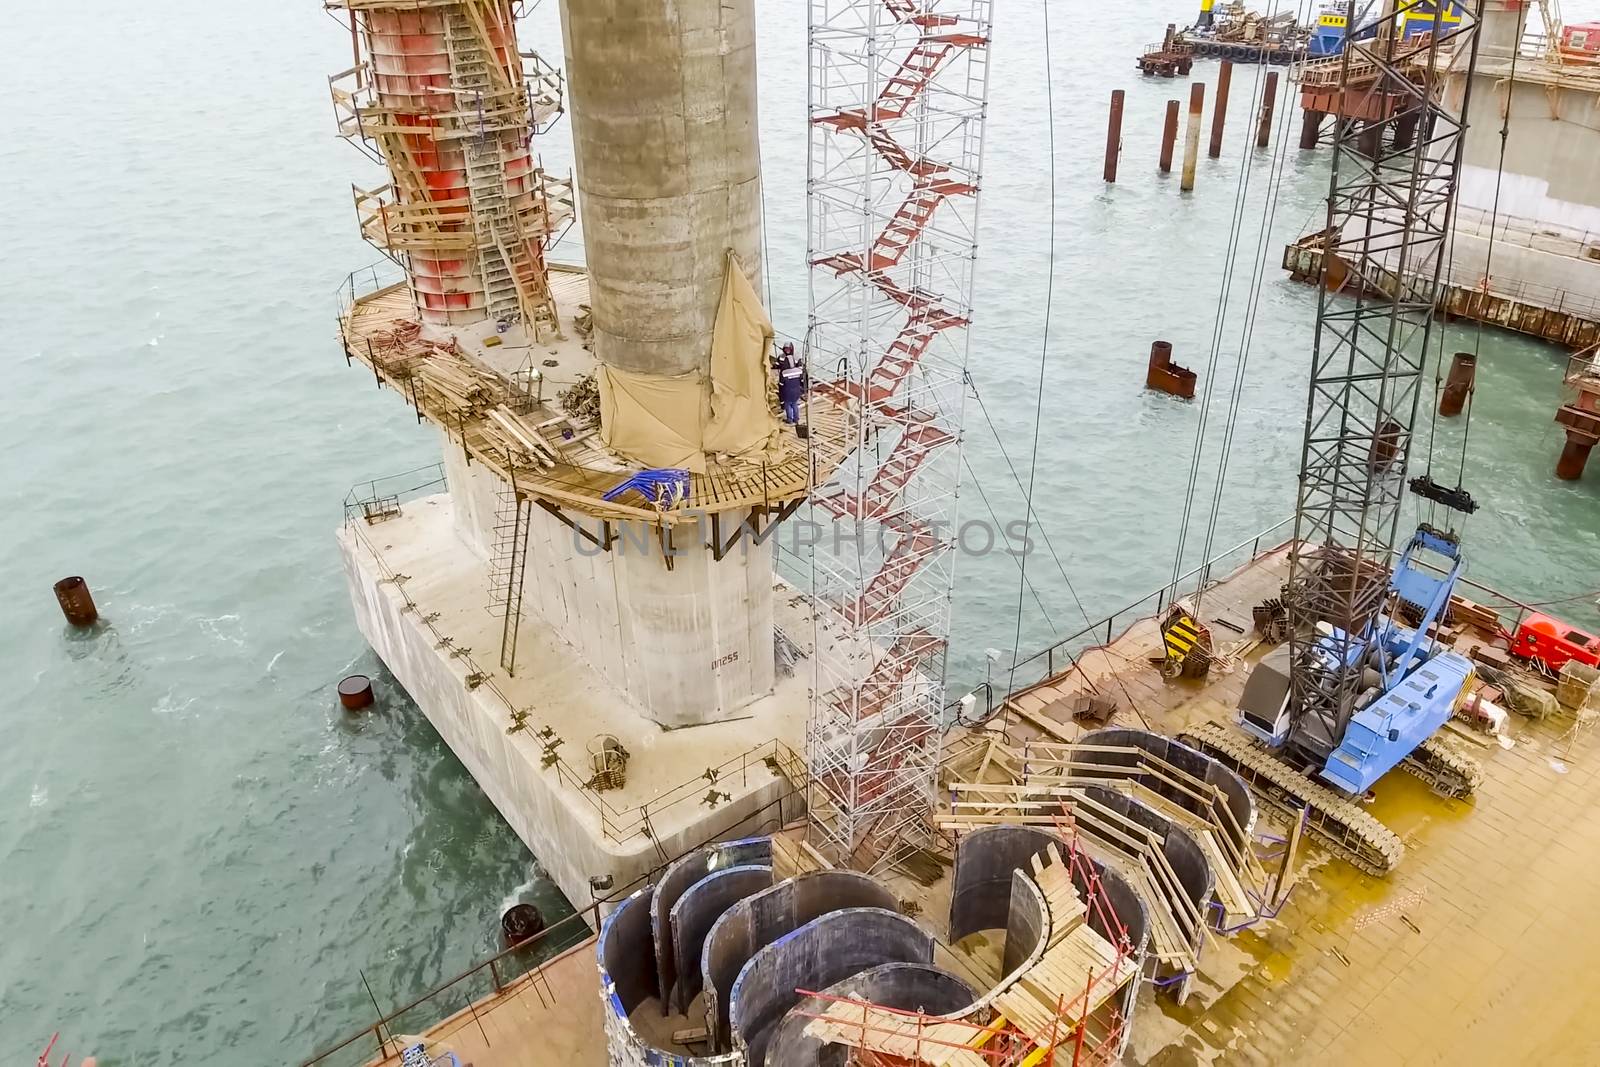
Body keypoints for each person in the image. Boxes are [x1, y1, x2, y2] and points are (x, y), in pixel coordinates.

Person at [776, 342, 805, 425]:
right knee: (795, 403)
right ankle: (796, 419)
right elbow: (801, 378)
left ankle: (790, 419)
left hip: (787, 388)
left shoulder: (784, 373)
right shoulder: (798, 371)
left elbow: (781, 384)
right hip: (796, 388)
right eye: (785, 349)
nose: (787, 350)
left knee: (788, 404)